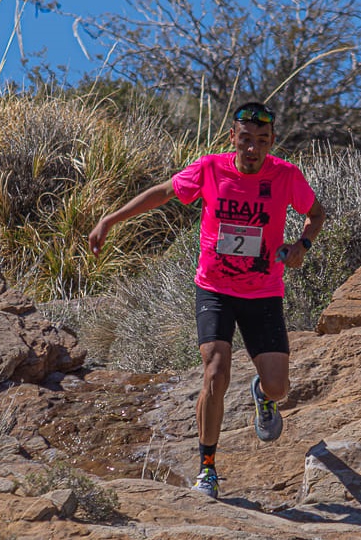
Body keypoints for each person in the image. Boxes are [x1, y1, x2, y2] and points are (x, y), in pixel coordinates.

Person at [88, 102, 326, 499]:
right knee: (216, 371)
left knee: (279, 386)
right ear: (232, 137)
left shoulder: (285, 176)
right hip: (215, 288)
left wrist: (302, 244)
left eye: (262, 142)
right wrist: (110, 220)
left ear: (271, 142)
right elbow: (163, 192)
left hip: (263, 291)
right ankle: (208, 470)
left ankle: (262, 398)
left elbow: (316, 214)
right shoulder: (211, 169)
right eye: (246, 139)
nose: (253, 149)